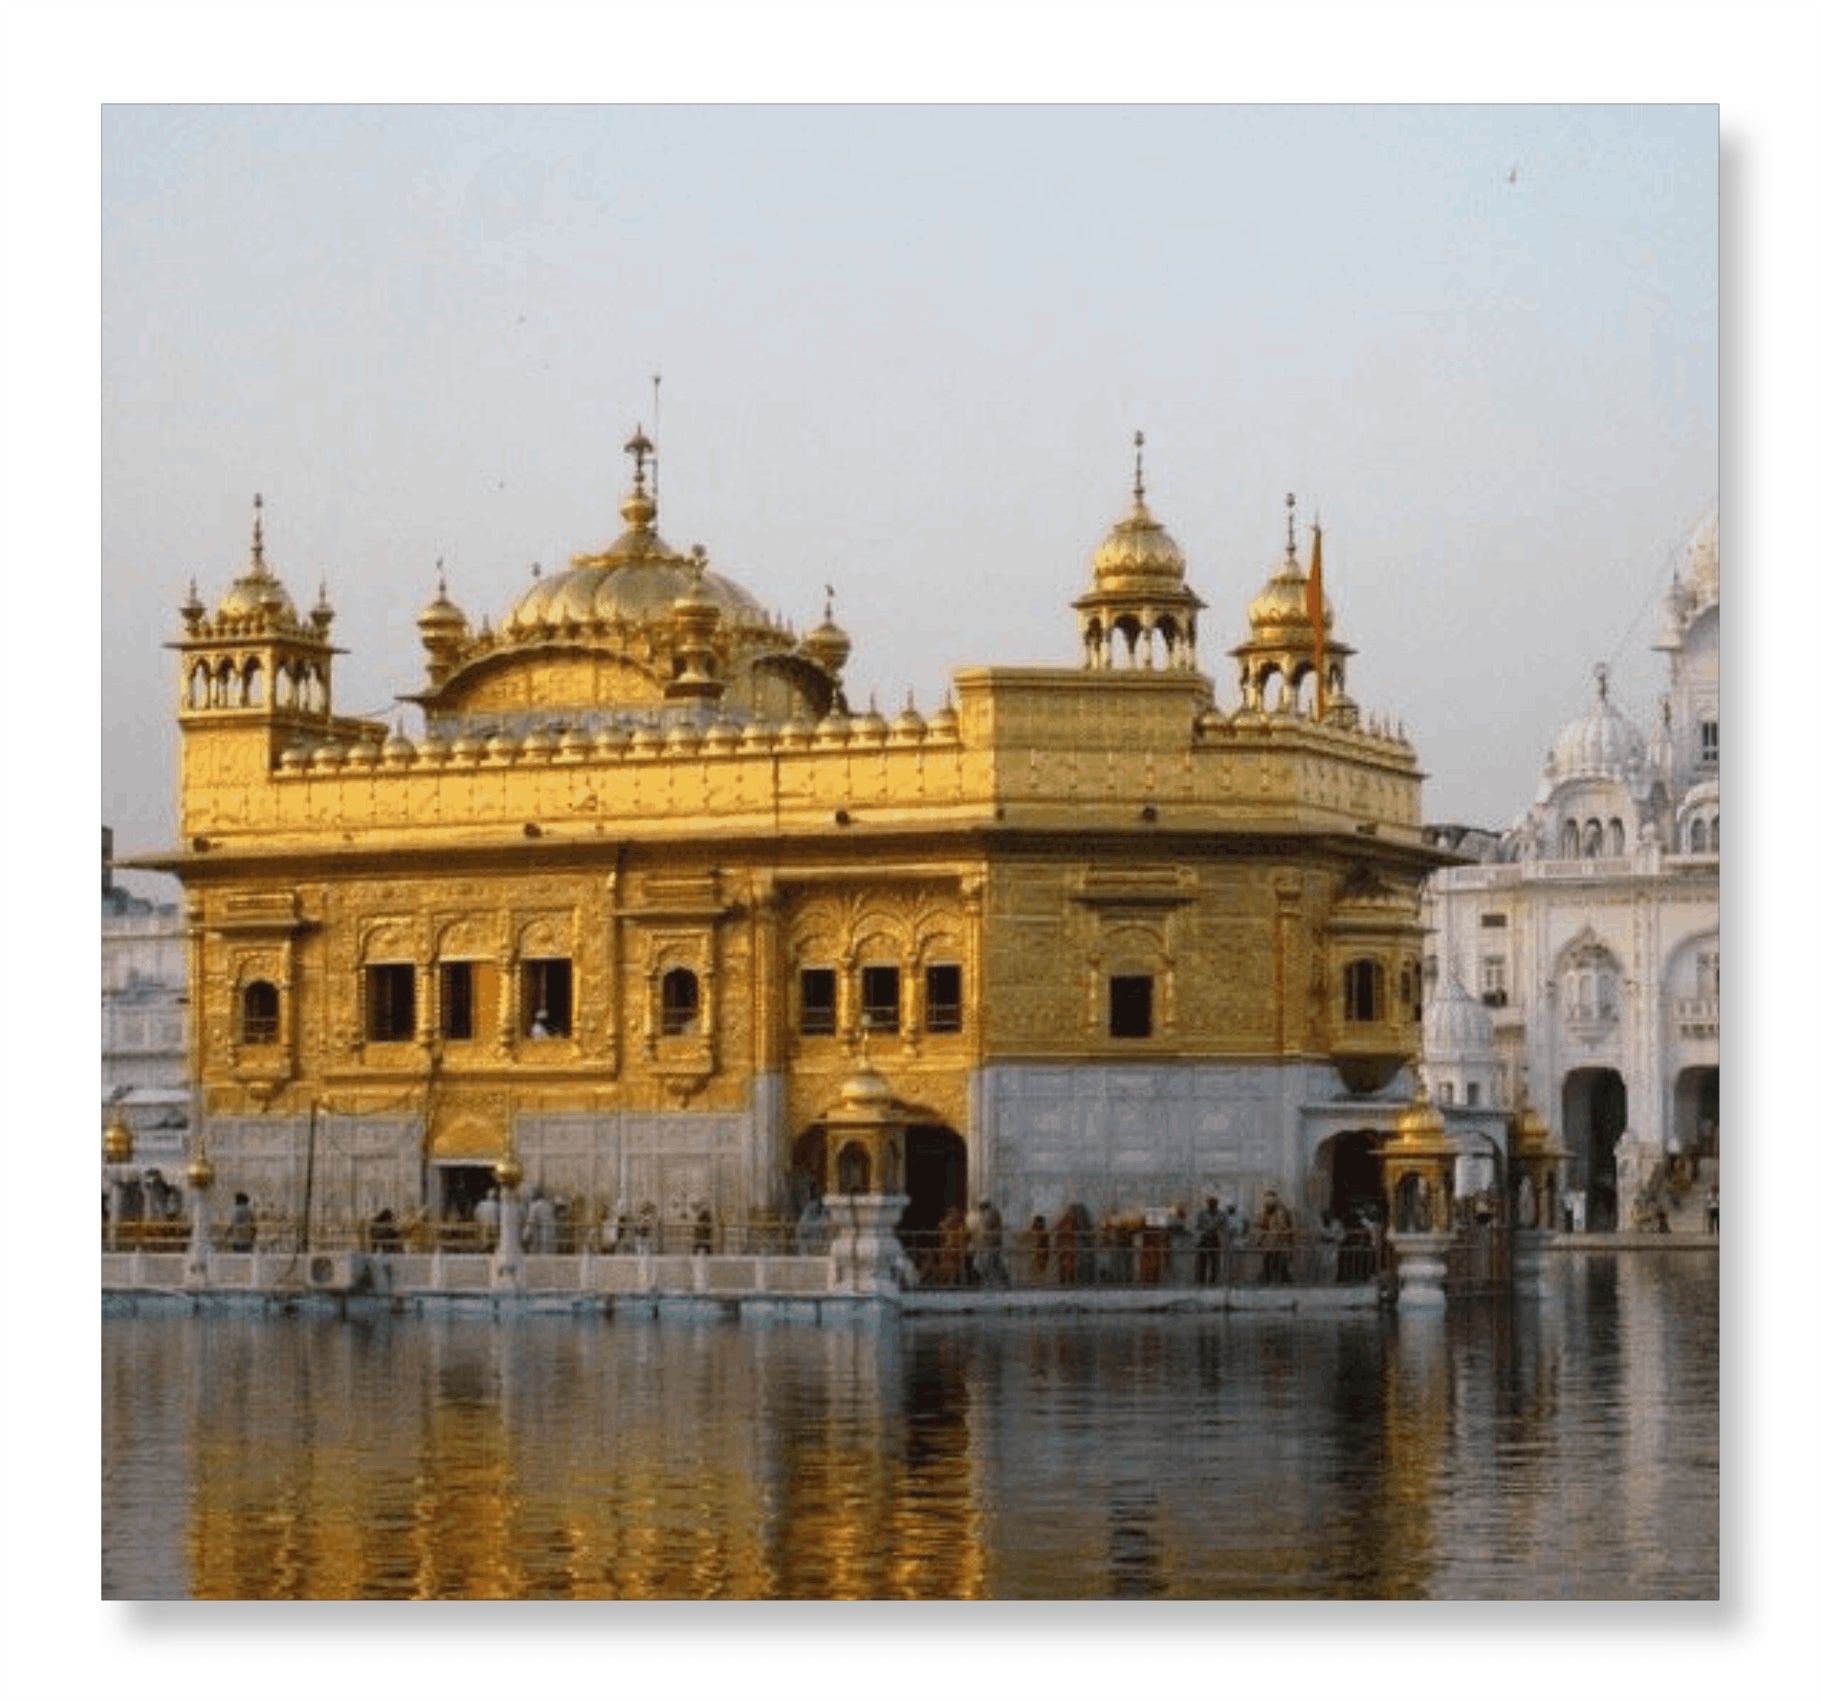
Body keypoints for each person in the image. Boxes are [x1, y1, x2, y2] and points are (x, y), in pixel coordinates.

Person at [975, 1199, 1008, 1286]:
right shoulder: (987, 1213)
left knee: (987, 1263)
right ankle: (997, 1281)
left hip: (992, 1243)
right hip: (989, 1244)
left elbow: (987, 1226)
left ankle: (992, 1281)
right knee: (994, 1263)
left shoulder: (991, 1213)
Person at [1194, 1195, 1224, 1285]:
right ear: (1207, 1204)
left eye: (1214, 1204)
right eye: (1210, 1204)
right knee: (1202, 1261)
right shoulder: (1202, 1213)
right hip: (1204, 1237)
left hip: (1214, 1238)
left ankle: (1213, 1280)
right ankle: (1201, 1280)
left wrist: (1217, 1230)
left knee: (1215, 1261)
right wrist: (1205, 1230)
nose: (1212, 1205)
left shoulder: (1220, 1214)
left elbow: (1223, 1226)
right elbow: (1198, 1225)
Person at [523, 1187, 557, 1253]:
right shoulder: (548, 1204)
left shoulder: (534, 1206)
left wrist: (525, 1236)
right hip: (551, 1231)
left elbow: (531, 1221)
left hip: (540, 1234)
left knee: (541, 1254)